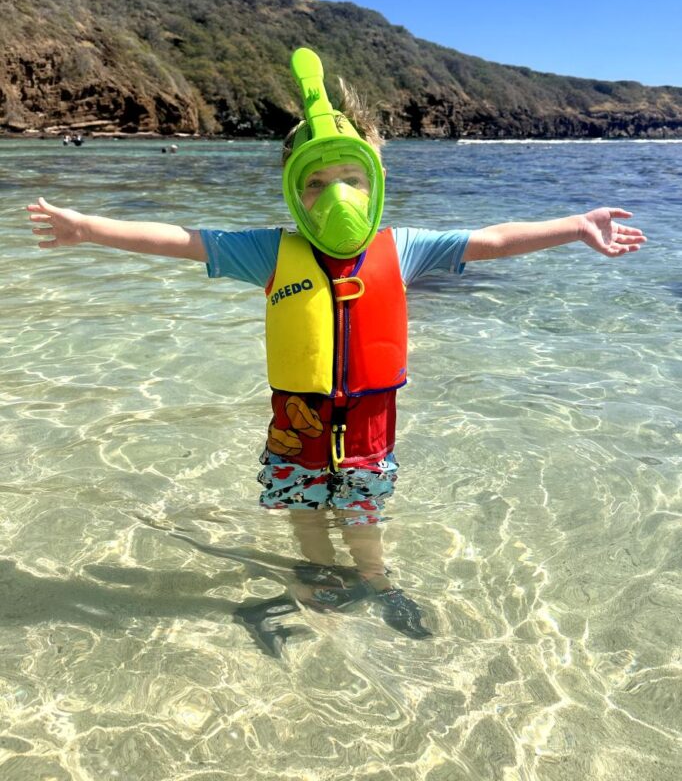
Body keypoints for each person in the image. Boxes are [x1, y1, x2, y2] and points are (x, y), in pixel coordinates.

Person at [28, 48, 646, 651]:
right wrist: (90, 229)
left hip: (370, 426)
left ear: (374, 179)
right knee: (303, 506)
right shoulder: (270, 252)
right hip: (299, 424)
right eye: (317, 183)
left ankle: (374, 578)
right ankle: (316, 572)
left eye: (351, 178)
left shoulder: (401, 249)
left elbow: (491, 239)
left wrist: (572, 226)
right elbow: (182, 239)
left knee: (364, 508)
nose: (337, 195)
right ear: (295, 192)